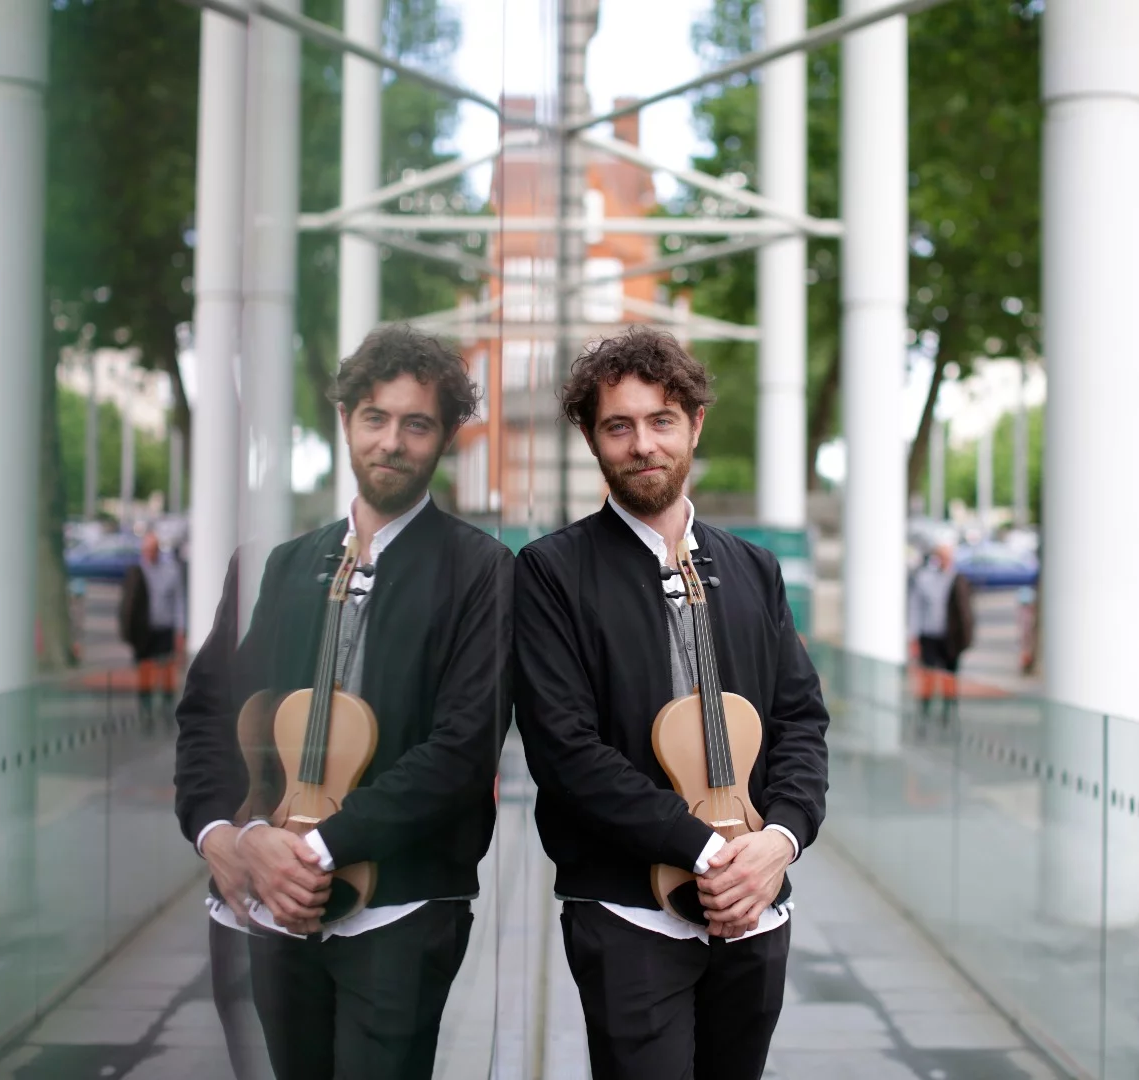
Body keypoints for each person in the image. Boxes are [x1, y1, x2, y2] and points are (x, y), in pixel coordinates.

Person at [173, 325, 511, 1080]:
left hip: (402, 911)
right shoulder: (280, 565)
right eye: (375, 418)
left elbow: (462, 750)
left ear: (445, 436)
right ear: (346, 420)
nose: (391, 441)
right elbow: (208, 714)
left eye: (416, 424)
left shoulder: (482, 571)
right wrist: (223, 834)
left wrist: (313, 850)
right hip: (265, 897)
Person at [513, 327, 829, 1080]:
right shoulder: (550, 572)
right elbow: (565, 752)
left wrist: (780, 841)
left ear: (695, 424)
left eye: (661, 420)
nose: (643, 444)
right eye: (618, 426)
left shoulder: (753, 568)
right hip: (626, 914)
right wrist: (710, 852)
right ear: (591, 438)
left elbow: (799, 721)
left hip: (754, 906)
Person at [119, 532, 186, 720]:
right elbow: (127, 603)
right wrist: (128, 631)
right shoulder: (136, 572)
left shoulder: (171, 571)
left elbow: (179, 602)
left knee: (167, 669)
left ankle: (167, 706)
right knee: (145, 670)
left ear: (158, 551)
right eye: (146, 550)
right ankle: (146, 708)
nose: (149, 554)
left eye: (153, 550)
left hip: (165, 628)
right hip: (145, 631)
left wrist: (181, 630)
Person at [908, 542, 975, 728]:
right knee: (928, 675)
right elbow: (915, 608)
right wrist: (913, 635)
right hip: (929, 635)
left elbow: (966, 613)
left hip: (950, 637)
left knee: (950, 675)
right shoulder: (925, 579)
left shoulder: (958, 580)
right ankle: (924, 712)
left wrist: (966, 638)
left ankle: (949, 712)